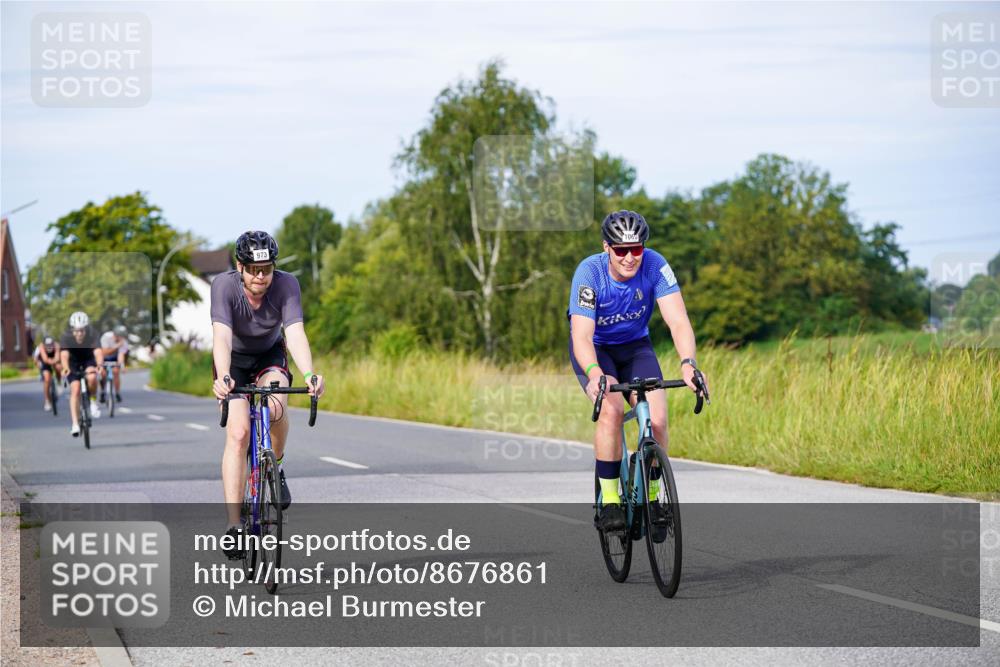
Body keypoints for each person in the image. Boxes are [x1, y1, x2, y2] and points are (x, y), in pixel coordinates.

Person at [567, 210, 709, 532]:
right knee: (612, 410)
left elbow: (677, 321)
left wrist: (688, 363)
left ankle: (655, 499)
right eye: (621, 250)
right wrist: (594, 373)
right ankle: (610, 502)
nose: (630, 258)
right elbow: (581, 336)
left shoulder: (656, 265)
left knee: (657, 420)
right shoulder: (589, 274)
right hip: (597, 350)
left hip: (635, 348)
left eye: (637, 249)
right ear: (607, 248)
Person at [210, 230, 326, 558]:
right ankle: (234, 526)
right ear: (240, 267)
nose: (261, 277)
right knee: (238, 433)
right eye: (253, 270)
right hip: (233, 360)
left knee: (275, 407)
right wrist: (223, 376)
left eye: (267, 270)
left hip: (269, 355)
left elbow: (295, 332)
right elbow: (220, 337)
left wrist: (309, 374)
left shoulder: (287, 284)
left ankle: (277, 463)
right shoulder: (223, 286)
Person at [59, 311, 105, 436]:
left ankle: (93, 401)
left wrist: (99, 365)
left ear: (86, 329)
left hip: (87, 360)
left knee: (92, 377)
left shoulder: (93, 334)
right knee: (75, 389)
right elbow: (64, 354)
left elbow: (98, 352)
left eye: (82, 331)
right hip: (72, 362)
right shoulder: (66, 336)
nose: (79, 334)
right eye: (76, 331)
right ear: (72, 330)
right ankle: (75, 424)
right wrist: (65, 367)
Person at [99, 325, 130, 403]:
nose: (122, 338)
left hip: (114, 358)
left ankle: (117, 393)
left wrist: (122, 366)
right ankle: (103, 391)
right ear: (116, 335)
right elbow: (104, 352)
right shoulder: (106, 337)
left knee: (116, 371)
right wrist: (117, 346)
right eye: (121, 336)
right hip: (104, 357)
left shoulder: (124, 342)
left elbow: (121, 355)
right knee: (103, 373)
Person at [33, 335, 62, 411]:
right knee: (47, 379)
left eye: (51, 345)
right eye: (47, 345)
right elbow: (43, 359)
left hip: (54, 359)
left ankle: (59, 382)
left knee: (58, 367)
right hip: (43, 361)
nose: (49, 347)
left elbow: (58, 357)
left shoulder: (57, 345)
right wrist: (38, 364)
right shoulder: (40, 347)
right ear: (44, 344)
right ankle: (47, 400)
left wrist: (54, 362)